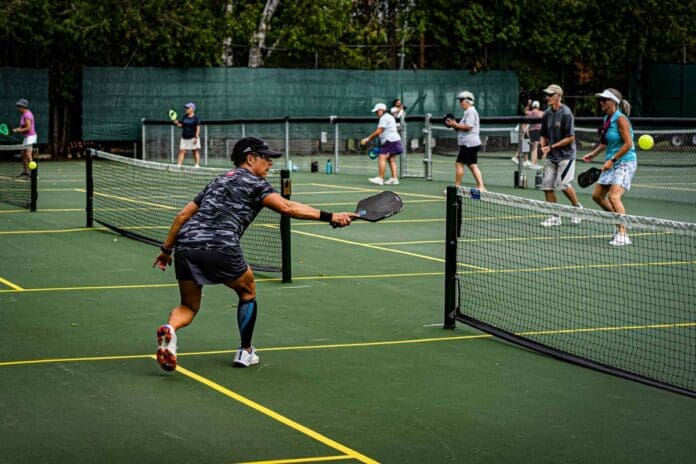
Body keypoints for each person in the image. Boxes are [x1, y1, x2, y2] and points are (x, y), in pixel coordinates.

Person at [152, 137, 356, 371]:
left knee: (188, 306)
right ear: (250, 159)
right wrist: (331, 216)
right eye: (266, 158)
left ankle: (170, 330)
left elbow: (182, 216)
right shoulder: (256, 184)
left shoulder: (217, 180)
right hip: (221, 244)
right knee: (247, 291)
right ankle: (245, 351)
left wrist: (166, 250)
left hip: (186, 245)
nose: (270, 163)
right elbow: (287, 208)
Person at [582, 89, 637, 246]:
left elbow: (628, 144)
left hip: (625, 162)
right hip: (612, 161)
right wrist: (593, 154)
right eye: (601, 100)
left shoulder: (621, 119)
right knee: (597, 196)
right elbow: (605, 143)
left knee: (614, 197)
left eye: (605, 100)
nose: (601, 102)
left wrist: (612, 160)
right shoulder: (607, 118)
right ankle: (620, 221)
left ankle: (623, 233)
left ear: (614, 102)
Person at [539, 84, 583, 226]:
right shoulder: (547, 113)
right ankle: (554, 216)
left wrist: (551, 146)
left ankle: (578, 209)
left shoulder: (566, 113)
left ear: (558, 96)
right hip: (552, 156)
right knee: (547, 186)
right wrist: (543, 147)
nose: (547, 97)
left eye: (550, 95)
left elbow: (570, 138)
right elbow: (543, 134)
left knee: (562, 184)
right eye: (547, 94)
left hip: (566, 155)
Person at [444, 90, 485, 191]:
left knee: (459, 164)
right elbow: (461, 128)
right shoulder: (468, 112)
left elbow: (469, 127)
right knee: (472, 165)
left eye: (461, 100)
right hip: (471, 143)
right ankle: (481, 186)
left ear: (467, 101)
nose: (460, 102)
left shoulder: (470, 111)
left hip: (469, 144)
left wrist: (455, 124)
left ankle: (457, 188)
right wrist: (454, 125)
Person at [361, 103, 403, 186]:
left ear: (381, 110)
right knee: (391, 159)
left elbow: (379, 131)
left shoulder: (384, 118)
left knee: (382, 157)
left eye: (377, 112)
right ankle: (394, 179)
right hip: (395, 140)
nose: (376, 114)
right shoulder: (388, 116)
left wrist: (368, 139)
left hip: (390, 140)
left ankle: (380, 178)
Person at [12, 98, 36, 178]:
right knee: (23, 154)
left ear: (24, 106)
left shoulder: (27, 115)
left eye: (19, 106)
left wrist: (19, 131)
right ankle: (26, 172)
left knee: (28, 154)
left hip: (31, 137)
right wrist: (17, 129)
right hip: (27, 137)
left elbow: (28, 127)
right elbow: (23, 126)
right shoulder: (24, 114)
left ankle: (34, 173)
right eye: (18, 106)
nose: (18, 107)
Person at [173, 102, 201, 167]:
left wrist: (196, 138)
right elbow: (182, 126)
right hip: (184, 137)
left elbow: (198, 128)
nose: (186, 109)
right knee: (182, 150)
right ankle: (179, 165)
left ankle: (197, 164)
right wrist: (177, 123)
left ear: (192, 109)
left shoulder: (196, 118)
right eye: (186, 108)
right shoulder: (185, 117)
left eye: (188, 108)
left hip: (193, 137)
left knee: (195, 151)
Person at [526, 100, 544, 169]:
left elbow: (526, 112)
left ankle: (534, 163)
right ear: (538, 106)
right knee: (535, 147)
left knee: (534, 147)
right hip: (537, 130)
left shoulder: (529, 113)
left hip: (531, 130)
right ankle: (533, 164)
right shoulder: (541, 113)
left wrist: (528, 104)